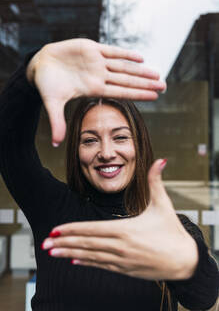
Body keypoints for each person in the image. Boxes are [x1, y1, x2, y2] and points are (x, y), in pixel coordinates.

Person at [0, 38, 218, 311]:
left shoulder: (170, 229)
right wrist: (32, 72)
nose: (106, 152)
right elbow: (9, 143)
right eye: (90, 140)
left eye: (120, 137)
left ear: (139, 145)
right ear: (76, 151)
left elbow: (204, 299)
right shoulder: (54, 209)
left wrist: (190, 263)